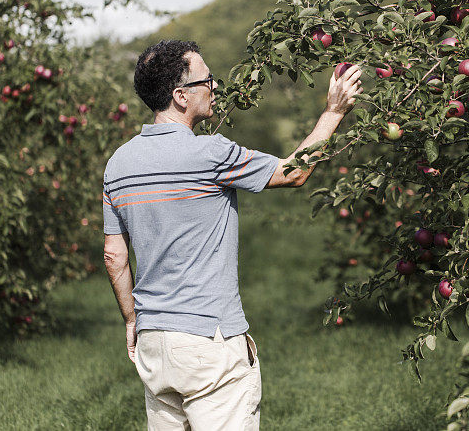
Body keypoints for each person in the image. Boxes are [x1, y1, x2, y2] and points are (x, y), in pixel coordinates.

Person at [102, 39, 362, 430]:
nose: (216, 87)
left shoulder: (118, 165)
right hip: (210, 341)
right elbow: (294, 172)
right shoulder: (209, 154)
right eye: (207, 80)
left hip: (154, 343)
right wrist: (334, 111)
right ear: (180, 96)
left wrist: (130, 319)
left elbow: (114, 256)